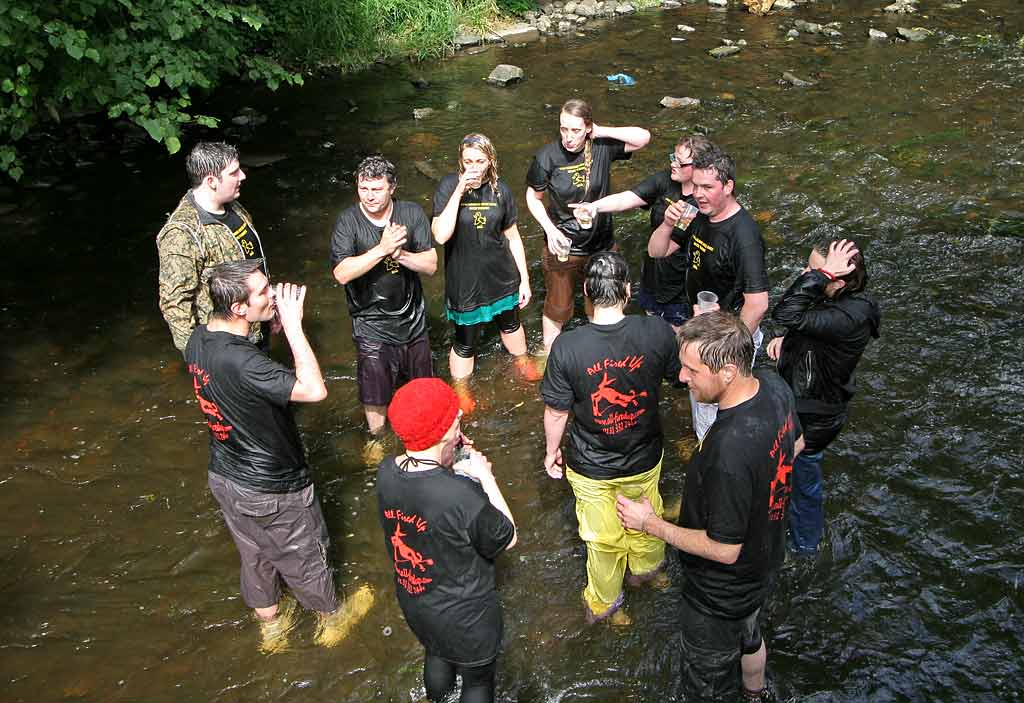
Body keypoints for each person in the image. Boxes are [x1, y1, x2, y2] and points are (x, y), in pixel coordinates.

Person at [185, 260, 373, 653]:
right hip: (273, 485)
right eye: (263, 292)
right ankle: (331, 619)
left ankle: (271, 628)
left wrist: (265, 332)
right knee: (306, 554)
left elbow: (243, 370)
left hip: (226, 476)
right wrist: (292, 327)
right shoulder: (245, 362)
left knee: (254, 554)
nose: (273, 295)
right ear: (239, 308)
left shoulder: (199, 339)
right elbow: (313, 390)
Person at [616, 311, 804, 701]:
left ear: (728, 372)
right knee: (751, 635)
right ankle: (756, 693)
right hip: (765, 560)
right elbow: (796, 445)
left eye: (691, 370)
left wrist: (649, 522)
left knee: (706, 682)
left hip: (718, 595)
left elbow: (724, 548)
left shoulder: (729, 447)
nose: (682, 378)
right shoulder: (773, 386)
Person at [540, 252, 681, 623]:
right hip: (645, 456)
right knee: (648, 517)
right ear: (628, 291)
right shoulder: (656, 331)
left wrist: (552, 451)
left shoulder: (567, 347)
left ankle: (606, 605)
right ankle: (649, 572)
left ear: (586, 291)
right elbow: (681, 378)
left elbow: (556, 412)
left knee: (602, 541)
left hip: (592, 467)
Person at [377, 378, 517, 703]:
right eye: (456, 420)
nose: (459, 424)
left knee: (437, 653)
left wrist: (448, 457)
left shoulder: (386, 472)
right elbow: (507, 537)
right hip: (467, 618)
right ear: (442, 432)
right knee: (478, 680)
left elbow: (428, 492)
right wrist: (485, 476)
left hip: (418, 604)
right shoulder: (461, 496)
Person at [766, 239, 880, 554]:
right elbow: (794, 322)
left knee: (802, 479)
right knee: (786, 471)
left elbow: (787, 311)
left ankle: (806, 545)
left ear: (839, 280)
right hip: (801, 399)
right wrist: (786, 340)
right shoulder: (833, 298)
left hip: (816, 415)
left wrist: (822, 275)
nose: (807, 274)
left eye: (815, 270)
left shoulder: (852, 314)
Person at [648, 147, 770, 441]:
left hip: (728, 336)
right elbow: (657, 251)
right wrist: (667, 222)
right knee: (700, 399)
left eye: (708, 187)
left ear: (728, 187)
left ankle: (714, 459)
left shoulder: (744, 236)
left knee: (717, 413)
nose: (699, 194)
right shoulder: (698, 214)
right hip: (701, 327)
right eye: (697, 186)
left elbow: (758, 304)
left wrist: (722, 347)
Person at [525, 98, 650, 350]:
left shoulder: (601, 147)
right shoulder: (547, 157)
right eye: (563, 129)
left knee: (603, 303)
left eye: (575, 130)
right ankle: (553, 356)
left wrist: (600, 132)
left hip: (601, 245)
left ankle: (600, 352)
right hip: (564, 246)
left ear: (588, 128)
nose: (568, 137)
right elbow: (532, 197)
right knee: (558, 307)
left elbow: (643, 138)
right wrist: (550, 231)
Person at [432, 133, 540, 413]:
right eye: (468, 161)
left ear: (491, 160)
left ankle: (521, 360)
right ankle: (461, 388)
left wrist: (524, 280)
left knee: (511, 323)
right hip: (465, 280)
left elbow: (513, 237)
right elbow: (441, 235)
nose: (474, 167)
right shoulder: (447, 186)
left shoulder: (501, 190)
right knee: (465, 341)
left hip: (501, 275)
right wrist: (459, 190)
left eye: (480, 161)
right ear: (460, 161)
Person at [331, 156, 438, 435]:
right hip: (371, 322)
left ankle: (423, 435)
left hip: (412, 318)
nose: (369, 196)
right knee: (375, 395)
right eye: (363, 188)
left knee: (422, 389)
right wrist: (381, 249)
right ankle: (377, 439)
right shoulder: (348, 222)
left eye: (376, 189)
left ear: (392, 187)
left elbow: (431, 265)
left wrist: (399, 254)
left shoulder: (411, 214)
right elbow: (341, 274)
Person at [572, 134, 713, 332]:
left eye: (680, 162)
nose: (673, 164)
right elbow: (628, 198)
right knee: (653, 326)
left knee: (678, 336)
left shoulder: (700, 203)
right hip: (653, 275)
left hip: (680, 286)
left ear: (698, 167)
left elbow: (671, 246)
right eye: (673, 157)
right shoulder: (666, 180)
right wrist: (594, 207)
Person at [158, 141, 269, 354]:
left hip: (254, 329)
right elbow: (174, 302)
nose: (243, 177)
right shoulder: (182, 232)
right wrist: (199, 357)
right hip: (224, 346)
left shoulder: (234, 207)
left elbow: (253, 259)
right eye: (234, 173)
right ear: (211, 181)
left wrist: (269, 310)